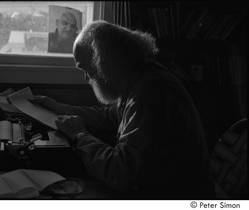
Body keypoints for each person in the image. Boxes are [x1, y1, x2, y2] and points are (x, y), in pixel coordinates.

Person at [30, 20, 215, 199]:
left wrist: (79, 135)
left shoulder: (151, 92)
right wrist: (62, 108)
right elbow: (110, 117)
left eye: (87, 68)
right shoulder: (140, 78)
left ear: (104, 61)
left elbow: (121, 174)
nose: (87, 77)